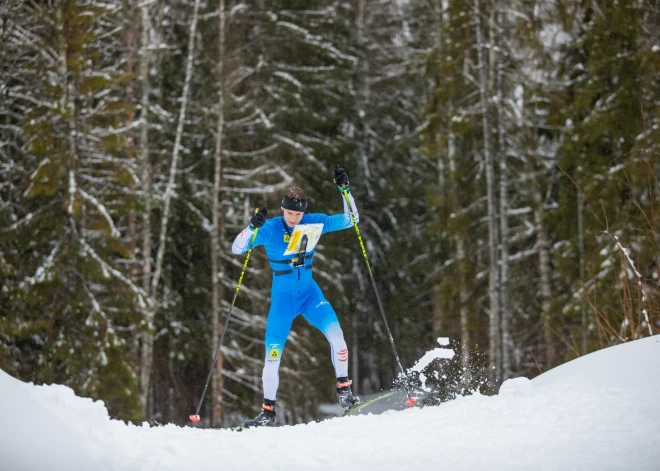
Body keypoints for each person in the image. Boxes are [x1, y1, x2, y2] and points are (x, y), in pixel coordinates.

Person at [231, 167, 360, 427]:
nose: (293, 218)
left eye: (298, 214)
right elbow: (237, 248)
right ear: (282, 209)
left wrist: (345, 191)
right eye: (289, 212)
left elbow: (351, 220)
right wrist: (250, 227)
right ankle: (267, 412)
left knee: (338, 338)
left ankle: (344, 391)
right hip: (282, 302)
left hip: (310, 295)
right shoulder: (269, 229)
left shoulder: (314, 221)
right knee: (272, 356)